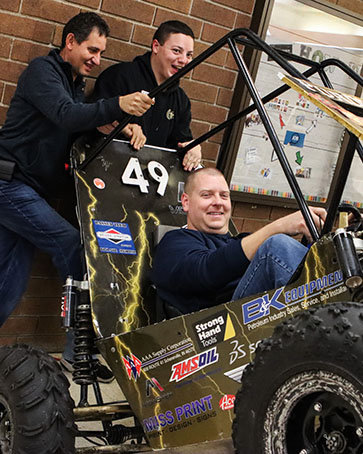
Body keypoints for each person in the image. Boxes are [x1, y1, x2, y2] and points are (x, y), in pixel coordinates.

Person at [0, 12, 154, 381]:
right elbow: (66, 115)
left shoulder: (72, 82)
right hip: (9, 184)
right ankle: (76, 353)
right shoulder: (43, 72)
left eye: (101, 53)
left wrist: (115, 125)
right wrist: (118, 105)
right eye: (92, 49)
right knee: (73, 246)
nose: (97, 60)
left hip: (28, 189)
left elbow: (73, 123)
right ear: (70, 41)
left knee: (8, 281)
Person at [151, 167, 327, 314]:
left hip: (270, 321)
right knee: (276, 247)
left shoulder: (241, 241)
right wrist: (278, 227)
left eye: (224, 196)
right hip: (218, 334)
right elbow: (206, 272)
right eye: (207, 195)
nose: (218, 202)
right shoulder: (174, 242)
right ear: (186, 202)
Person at [91, 20, 202, 171]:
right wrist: (124, 127)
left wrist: (193, 149)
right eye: (176, 51)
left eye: (189, 55)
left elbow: (180, 143)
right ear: (156, 46)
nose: (183, 60)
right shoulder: (119, 76)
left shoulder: (181, 100)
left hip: (152, 184)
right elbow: (92, 118)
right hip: (107, 172)